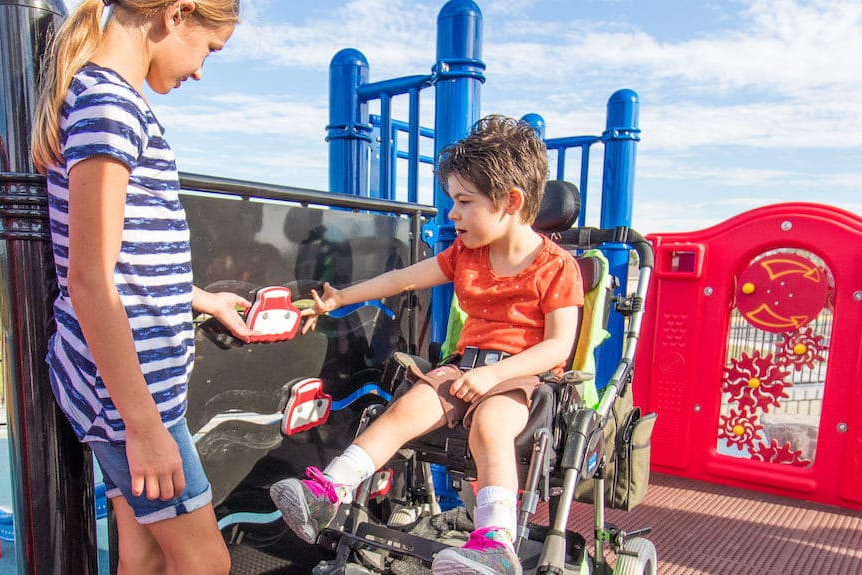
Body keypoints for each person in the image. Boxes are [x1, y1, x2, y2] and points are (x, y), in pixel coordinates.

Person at [270, 115, 584, 575]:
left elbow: (559, 345)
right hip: (463, 369)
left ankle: (496, 545)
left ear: (510, 202)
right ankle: (328, 495)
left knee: (490, 427)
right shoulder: (466, 254)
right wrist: (339, 298)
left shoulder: (557, 267)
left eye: (463, 202)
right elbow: (401, 279)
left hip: (518, 375)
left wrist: (495, 375)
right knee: (403, 412)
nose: (451, 214)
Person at [30, 1, 246, 573]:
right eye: (209, 48)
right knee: (207, 564)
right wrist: (145, 427)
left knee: (145, 555)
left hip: (133, 392)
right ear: (175, 14)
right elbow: (90, 278)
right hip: (130, 398)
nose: (201, 69)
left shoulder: (108, 98)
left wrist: (200, 298)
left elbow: (128, 258)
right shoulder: (108, 103)